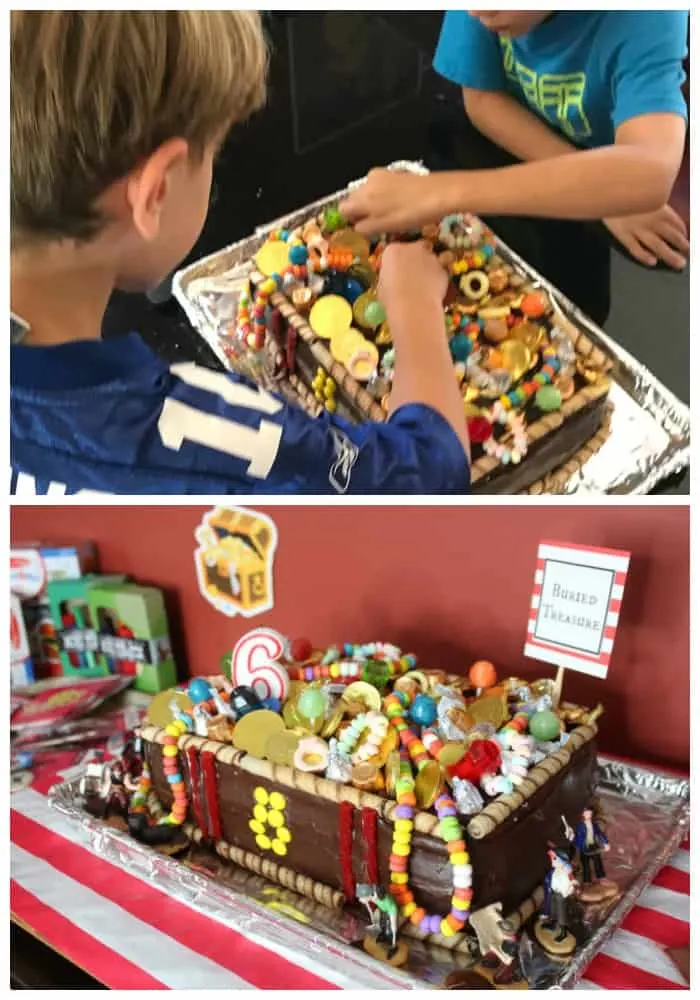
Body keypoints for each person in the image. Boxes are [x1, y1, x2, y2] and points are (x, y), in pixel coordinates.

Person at [10, 12, 470, 496]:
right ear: (157, 192)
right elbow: (426, 479)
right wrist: (413, 307)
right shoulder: (196, 439)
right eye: (214, 149)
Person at [341, 11, 689, 273]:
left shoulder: (648, 17)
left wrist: (438, 192)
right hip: (519, 164)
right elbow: (481, 99)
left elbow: (650, 170)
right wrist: (605, 195)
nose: (478, 12)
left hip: (573, 240)